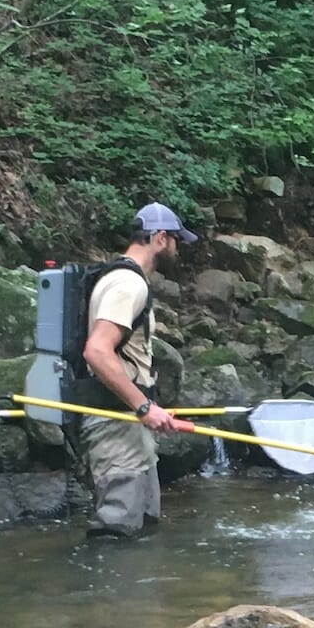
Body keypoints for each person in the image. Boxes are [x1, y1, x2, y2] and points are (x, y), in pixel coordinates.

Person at [77, 204, 198, 536]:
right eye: (175, 240)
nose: (177, 249)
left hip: (128, 421)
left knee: (141, 530)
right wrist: (143, 406)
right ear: (160, 238)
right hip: (116, 421)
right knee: (117, 534)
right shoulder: (128, 285)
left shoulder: (121, 279)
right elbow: (97, 351)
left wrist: (147, 407)